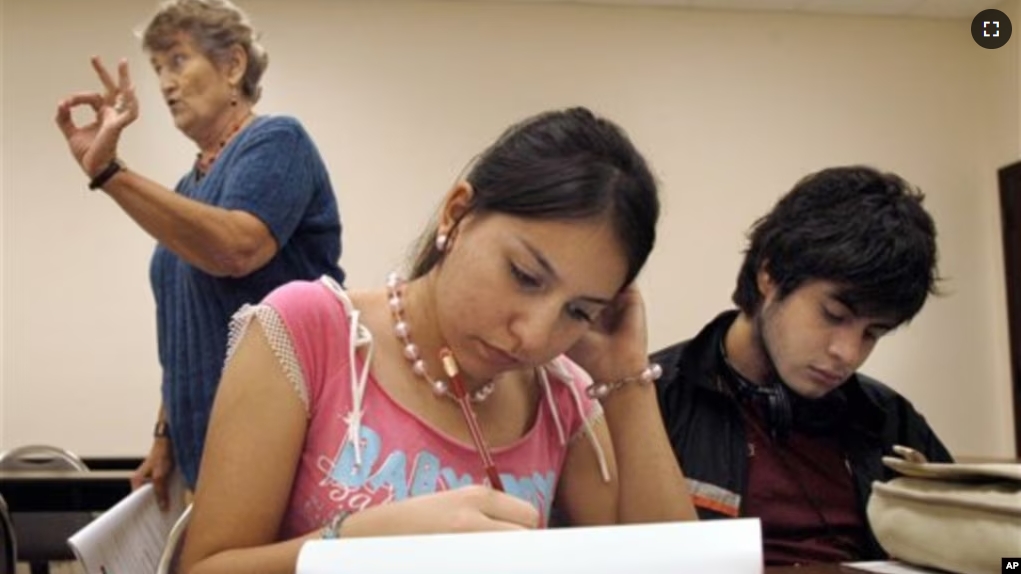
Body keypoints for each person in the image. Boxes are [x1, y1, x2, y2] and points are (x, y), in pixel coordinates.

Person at [177, 107, 698, 573]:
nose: (535, 336)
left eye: (579, 310)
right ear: (456, 213)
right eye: (524, 275)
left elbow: (678, 568)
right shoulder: (308, 331)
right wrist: (354, 545)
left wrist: (627, 380)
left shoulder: (559, 395)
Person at [54, 0, 345, 504]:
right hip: (202, 450)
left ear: (232, 65)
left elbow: (235, 249)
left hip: (285, 444)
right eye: (158, 68)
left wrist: (109, 172)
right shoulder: (185, 190)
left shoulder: (278, 140)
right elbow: (183, 325)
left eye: (178, 60)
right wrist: (164, 437)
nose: (164, 83)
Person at [652, 165, 953, 566]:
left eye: (873, 333)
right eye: (833, 314)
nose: (847, 353)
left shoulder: (889, 422)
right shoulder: (651, 400)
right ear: (769, 273)